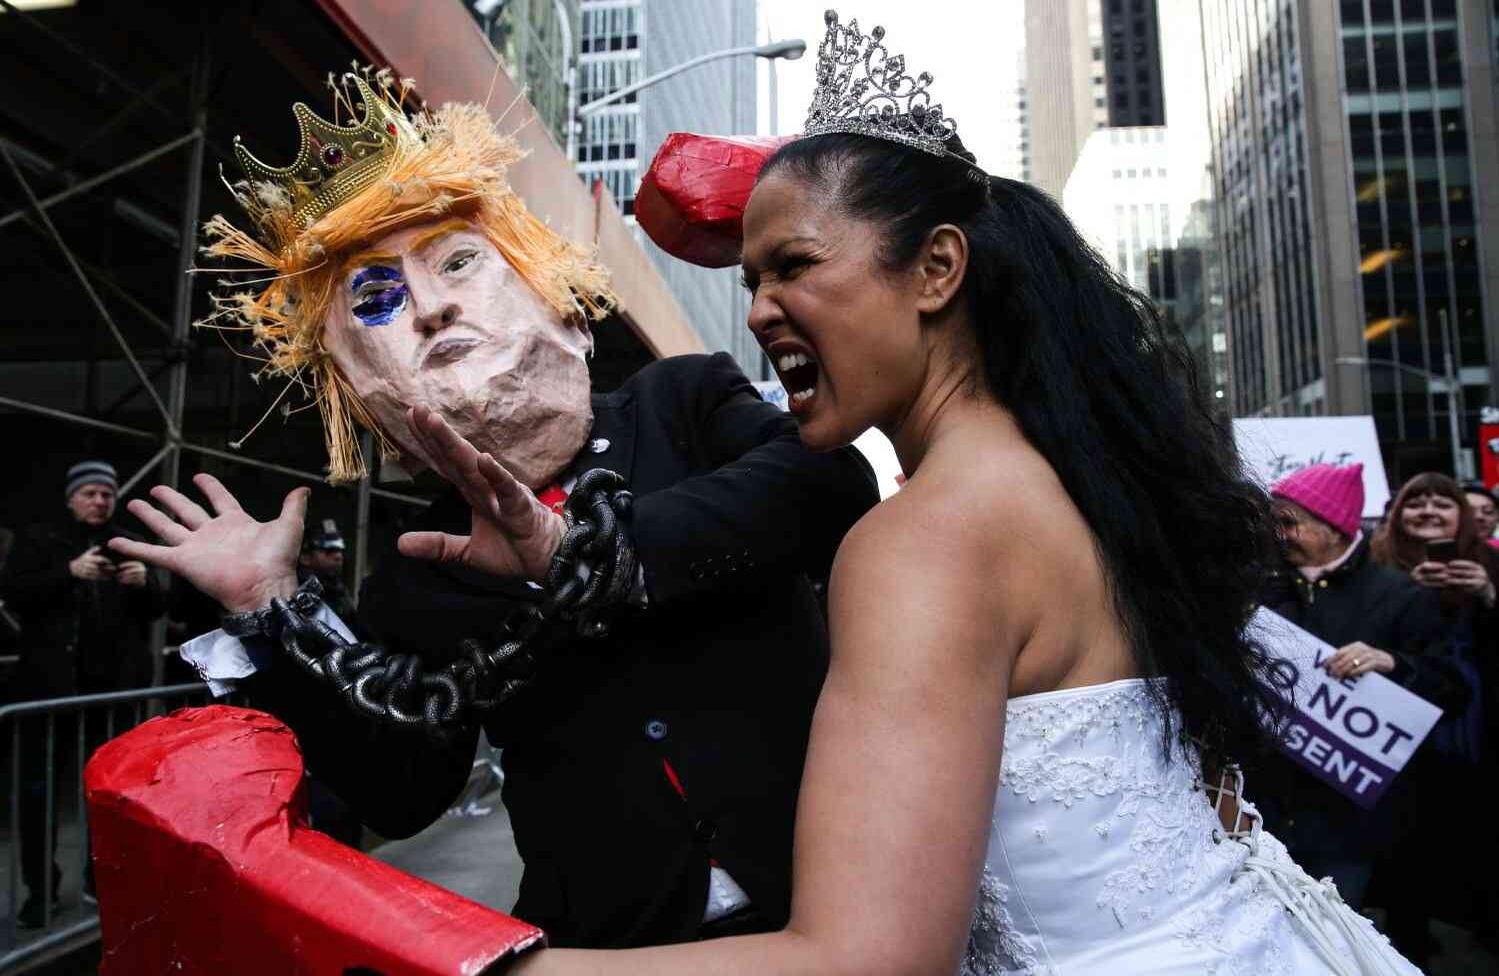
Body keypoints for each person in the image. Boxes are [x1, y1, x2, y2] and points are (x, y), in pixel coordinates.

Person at [310, 12, 1427, 973]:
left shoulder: (921, 541)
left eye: (793, 267)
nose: (758, 311)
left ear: (935, 270)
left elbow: (862, 960)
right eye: (751, 280)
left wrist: (479, 964)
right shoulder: (1060, 476)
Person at [110, 68, 877, 948]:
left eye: (457, 262)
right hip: (611, 943)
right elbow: (404, 792)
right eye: (376, 299)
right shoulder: (420, 563)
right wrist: (272, 609)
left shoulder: (682, 402)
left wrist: (586, 552)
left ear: (570, 318)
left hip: (834, 897)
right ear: (366, 401)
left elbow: (827, 486)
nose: (431, 308)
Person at [1255, 463, 1468, 917]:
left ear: (1334, 527)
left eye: (1289, 522)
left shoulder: (1403, 596)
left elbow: (1452, 688)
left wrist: (1394, 664)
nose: (1279, 534)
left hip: (1351, 823)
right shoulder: (1257, 590)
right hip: (1268, 810)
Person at [4, 460, 165, 927]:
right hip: (50, 694)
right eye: (90, 493)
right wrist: (69, 572)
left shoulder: (124, 542)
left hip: (110, 696)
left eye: (106, 494)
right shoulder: (41, 540)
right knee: (39, 794)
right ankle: (41, 890)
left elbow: (159, 608)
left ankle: (102, 879)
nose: (99, 501)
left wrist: (145, 583)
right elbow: (14, 593)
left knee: (110, 794)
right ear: (71, 498)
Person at [1368, 472, 1494, 962]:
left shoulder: (1489, 564)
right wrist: (1405, 597)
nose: (1429, 511)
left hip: (1477, 720)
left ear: (1462, 516)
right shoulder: (1376, 568)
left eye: (1443, 503)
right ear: (1398, 513)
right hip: (1400, 723)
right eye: (1416, 502)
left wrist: (1489, 594)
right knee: (1410, 837)